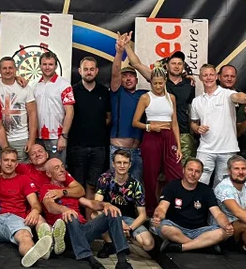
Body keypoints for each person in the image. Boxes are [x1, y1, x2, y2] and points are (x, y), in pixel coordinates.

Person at [40, 157, 140, 269]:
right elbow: (49, 206)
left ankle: (122, 263)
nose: (62, 170)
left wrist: (105, 205)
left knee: (113, 212)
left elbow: (91, 203)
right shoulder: (47, 189)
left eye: (62, 166)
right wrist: (63, 209)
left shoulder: (70, 191)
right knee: (72, 216)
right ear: (49, 174)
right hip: (65, 233)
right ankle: (89, 260)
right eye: (57, 168)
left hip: (82, 230)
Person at [0, 147, 52, 267]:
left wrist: (35, 211)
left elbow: (35, 203)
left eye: (13, 161)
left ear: (17, 164)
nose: (9, 163)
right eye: (6, 160)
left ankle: (32, 253)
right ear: (0, 162)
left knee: (25, 237)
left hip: (17, 221)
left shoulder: (24, 179)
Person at [191, 64, 246, 187]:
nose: (208, 78)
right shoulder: (196, 101)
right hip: (205, 150)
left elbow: (238, 96)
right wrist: (197, 128)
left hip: (227, 149)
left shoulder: (227, 93)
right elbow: (193, 123)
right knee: (199, 183)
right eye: (205, 75)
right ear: (200, 77)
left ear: (216, 76)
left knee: (223, 187)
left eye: (211, 74)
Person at [150, 158, 232, 251]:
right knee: (164, 227)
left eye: (197, 171)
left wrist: (226, 225)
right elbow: (162, 207)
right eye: (190, 170)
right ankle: (202, 246)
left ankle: (183, 247)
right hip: (176, 228)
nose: (193, 174)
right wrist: (158, 216)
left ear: (201, 174)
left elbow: (217, 213)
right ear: (183, 170)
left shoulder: (206, 190)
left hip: (200, 231)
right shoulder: (172, 186)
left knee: (222, 232)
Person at [132, 69, 184, 213]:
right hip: (151, 137)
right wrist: (149, 127)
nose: (158, 86)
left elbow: (175, 123)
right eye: (155, 83)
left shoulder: (171, 98)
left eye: (161, 83)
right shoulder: (145, 98)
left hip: (169, 136)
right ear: (151, 83)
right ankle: (151, 211)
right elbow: (135, 122)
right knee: (150, 175)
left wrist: (179, 146)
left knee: (176, 174)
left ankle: (175, 208)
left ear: (165, 81)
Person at [95, 149, 155, 254]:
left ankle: (126, 241)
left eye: (125, 163)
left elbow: (143, 215)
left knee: (148, 244)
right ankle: (109, 243)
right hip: (109, 215)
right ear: (113, 164)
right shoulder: (104, 179)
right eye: (119, 162)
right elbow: (96, 204)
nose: (122, 166)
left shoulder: (136, 185)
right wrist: (118, 222)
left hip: (128, 219)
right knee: (94, 214)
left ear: (130, 165)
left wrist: (130, 229)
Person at [67, 56, 111, 196]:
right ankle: (77, 210)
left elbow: (108, 117)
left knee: (93, 184)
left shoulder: (104, 91)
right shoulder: (72, 91)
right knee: (77, 184)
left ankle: (89, 210)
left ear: (97, 71)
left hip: (99, 147)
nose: (89, 72)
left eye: (92, 69)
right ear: (80, 71)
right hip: (77, 146)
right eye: (85, 69)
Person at [0, 57, 37, 163]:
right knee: (1, 168)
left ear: (15, 69)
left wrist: (31, 140)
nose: (8, 71)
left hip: (21, 138)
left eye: (10, 68)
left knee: (21, 169)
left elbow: (32, 114)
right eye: (4, 68)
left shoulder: (25, 87)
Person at [109, 38, 144, 180]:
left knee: (136, 185)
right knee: (116, 185)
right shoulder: (117, 92)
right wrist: (119, 52)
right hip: (119, 149)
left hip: (138, 150)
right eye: (124, 76)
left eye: (131, 76)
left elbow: (155, 79)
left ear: (137, 80)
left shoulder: (144, 95)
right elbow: (115, 73)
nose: (128, 79)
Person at [33, 51, 74, 162]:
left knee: (56, 168)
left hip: (56, 137)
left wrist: (63, 136)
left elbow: (70, 112)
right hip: (37, 137)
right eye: (44, 64)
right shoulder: (35, 85)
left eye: (50, 64)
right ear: (40, 66)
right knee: (40, 169)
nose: (47, 67)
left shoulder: (64, 84)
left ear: (56, 66)